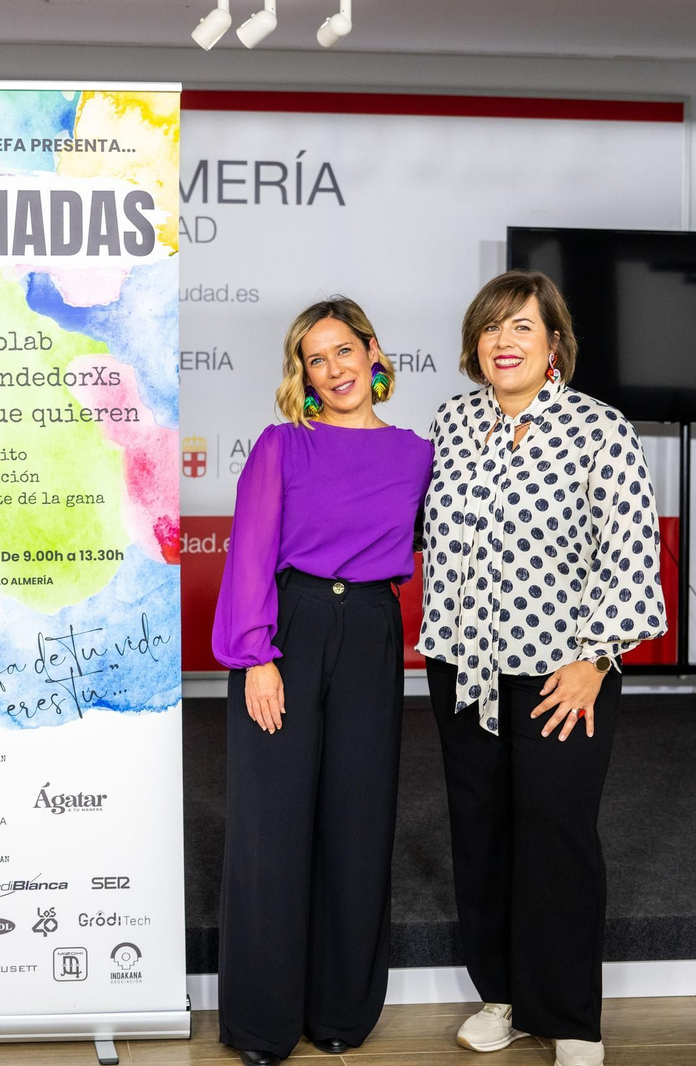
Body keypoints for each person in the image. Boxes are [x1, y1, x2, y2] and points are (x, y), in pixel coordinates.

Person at [419, 271, 667, 1066]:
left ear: (553, 343)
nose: (505, 341)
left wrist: (596, 660)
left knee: (557, 838)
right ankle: (506, 996)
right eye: (492, 328)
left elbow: (631, 556)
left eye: (522, 327)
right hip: (464, 666)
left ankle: (570, 1019)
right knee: (481, 835)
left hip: (563, 673)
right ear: (474, 344)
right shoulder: (453, 423)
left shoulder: (599, 429)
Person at [212, 297, 433, 1064]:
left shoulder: (417, 454)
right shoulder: (284, 445)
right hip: (289, 631)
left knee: (358, 822)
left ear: (373, 353)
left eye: (344, 350)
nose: (334, 369)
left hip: (372, 633)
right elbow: (249, 554)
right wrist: (255, 656)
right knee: (272, 829)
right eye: (316, 358)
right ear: (301, 374)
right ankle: (263, 1024)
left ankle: (342, 1011)